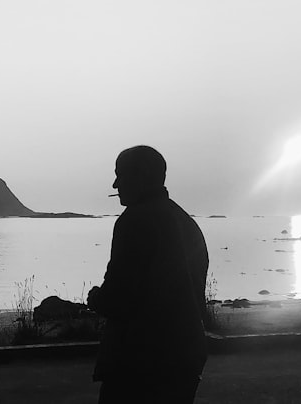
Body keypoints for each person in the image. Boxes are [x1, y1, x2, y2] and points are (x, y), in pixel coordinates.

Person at [86, 145, 209, 404]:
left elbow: (119, 298)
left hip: (141, 360)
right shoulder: (186, 221)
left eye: (121, 175)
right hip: (186, 353)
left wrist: (95, 298)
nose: (115, 183)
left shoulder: (134, 221)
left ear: (141, 176)